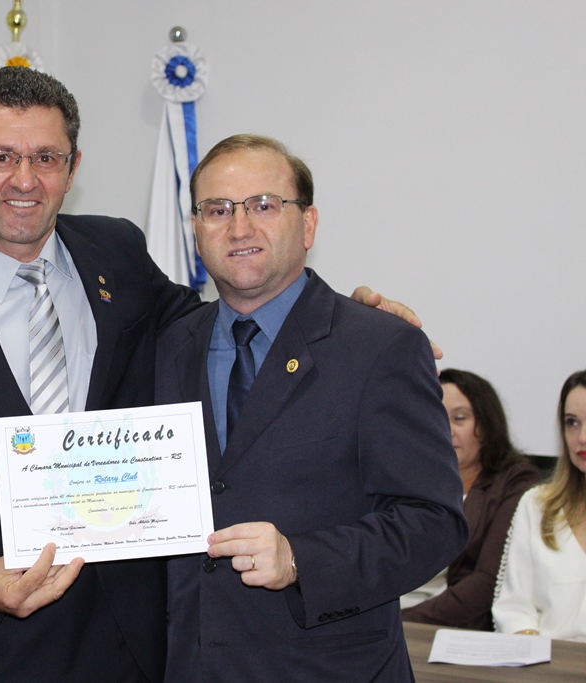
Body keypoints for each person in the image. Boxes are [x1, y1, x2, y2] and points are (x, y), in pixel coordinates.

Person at [0, 68, 431, 683]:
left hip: (144, 649)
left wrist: (348, 323)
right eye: (1, 157)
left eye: (46, 157)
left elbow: (221, 324)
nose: (25, 179)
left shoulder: (117, 253)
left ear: (73, 168)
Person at [155, 134, 468, 682]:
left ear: (308, 224)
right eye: (218, 209)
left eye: (263, 205)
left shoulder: (380, 346)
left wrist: (300, 559)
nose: (239, 227)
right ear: (196, 231)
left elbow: (434, 523)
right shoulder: (168, 346)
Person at [402, 369, 539, 629]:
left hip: (446, 624)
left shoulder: (513, 482)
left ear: (486, 426)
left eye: (459, 418)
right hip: (390, 609)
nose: (446, 429)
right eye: (436, 416)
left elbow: (486, 581)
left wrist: (402, 623)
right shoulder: (407, 475)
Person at [493, 370, 586, 642]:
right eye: (572, 422)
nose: (581, 437)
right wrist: (533, 651)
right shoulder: (537, 505)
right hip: (547, 658)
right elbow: (514, 607)